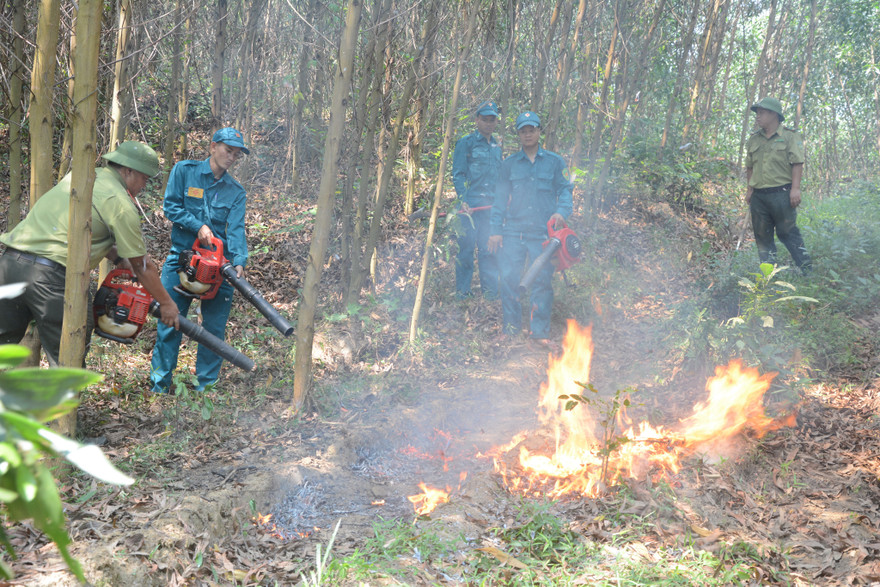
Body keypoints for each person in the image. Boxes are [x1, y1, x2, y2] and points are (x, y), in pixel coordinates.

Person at [0, 141, 180, 365]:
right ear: (128, 171)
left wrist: (118, 257)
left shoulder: (83, 177)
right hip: (51, 280)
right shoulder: (120, 203)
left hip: (10, 264)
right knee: (67, 363)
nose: (144, 185)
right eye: (144, 178)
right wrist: (166, 303)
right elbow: (143, 267)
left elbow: (75, 230)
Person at [150, 127, 249, 393]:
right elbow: (171, 206)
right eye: (228, 150)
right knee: (170, 321)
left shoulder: (236, 192)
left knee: (214, 329)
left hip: (218, 266)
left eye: (236, 154)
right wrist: (198, 226)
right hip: (182, 259)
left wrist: (239, 261)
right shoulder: (185, 171)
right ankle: (160, 385)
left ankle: (206, 388)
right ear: (213, 146)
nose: (232, 157)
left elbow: (236, 229)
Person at [488, 112, 573, 347]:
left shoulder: (555, 162)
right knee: (509, 278)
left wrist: (562, 212)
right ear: (518, 134)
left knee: (542, 281)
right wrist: (495, 229)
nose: (527, 134)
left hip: (543, 233)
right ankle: (511, 329)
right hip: (513, 231)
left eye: (531, 130)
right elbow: (499, 198)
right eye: (523, 131)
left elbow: (565, 190)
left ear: (539, 131)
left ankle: (539, 333)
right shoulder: (509, 164)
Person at [745, 96, 812, 272]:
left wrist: (795, 189)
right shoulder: (754, 139)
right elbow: (750, 167)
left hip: (781, 194)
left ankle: (806, 270)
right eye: (757, 113)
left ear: (774, 114)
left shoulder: (790, 136)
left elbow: (797, 163)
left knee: (787, 232)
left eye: (761, 113)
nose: (758, 116)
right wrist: (749, 190)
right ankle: (769, 275)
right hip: (759, 197)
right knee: (762, 237)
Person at [451, 100, 502, 300]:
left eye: (492, 120)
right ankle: (463, 292)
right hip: (470, 208)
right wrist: (463, 200)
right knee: (466, 250)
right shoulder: (466, 143)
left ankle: (490, 292)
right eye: (485, 119)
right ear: (477, 120)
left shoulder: (496, 146)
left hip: (490, 207)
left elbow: (500, 177)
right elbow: (458, 174)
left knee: (489, 249)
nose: (489, 123)